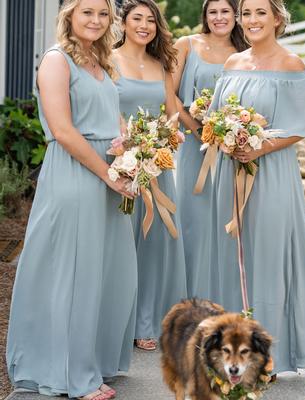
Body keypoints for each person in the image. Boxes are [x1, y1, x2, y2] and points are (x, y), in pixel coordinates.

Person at [6, 1, 138, 399]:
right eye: (87, 12)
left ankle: (93, 360)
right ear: (69, 16)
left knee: (108, 271)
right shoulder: (55, 60)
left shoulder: (103, 61)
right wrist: (108, 173)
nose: (96, 20)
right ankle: (71, 374)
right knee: (76, 273)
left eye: (102, 13)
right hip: (76, 173)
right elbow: (63, 130)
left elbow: (113, 119)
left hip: (109, 173)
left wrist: (131, 155)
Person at [210, 0, 305, 374]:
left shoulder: (292, 65)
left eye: (261, 12)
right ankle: (230, 352)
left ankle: (272, 353)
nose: (252, 20)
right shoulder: (232, 64)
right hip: (230, 174)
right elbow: (215, 119)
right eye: (246, 13)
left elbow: (304, 126)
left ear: (277, 18)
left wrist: (259, 146)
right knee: (233, 255)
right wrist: (228, 140)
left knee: (271, 255)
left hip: (273, 173)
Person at [113, 0, 187, 351]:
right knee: (120, 242)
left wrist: (171, 135)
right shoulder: (108, 60)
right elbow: (106, 108)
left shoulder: (162, 64)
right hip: (120, 165)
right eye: (136, 18)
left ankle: (145, 322)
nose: (144, 25)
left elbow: (171, 112)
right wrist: (129, 147)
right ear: (124, 23)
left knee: (156, 243)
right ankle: (116, 320)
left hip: (158, 164)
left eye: (150, 20)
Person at [173, 0, 248, 299]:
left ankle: (221, 299)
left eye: (225, 11)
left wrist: (231, 134)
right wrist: (199, 130)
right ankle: (187, 299)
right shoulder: (186, 45)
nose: (219, 18)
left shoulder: (243, 54)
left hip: (229, 152)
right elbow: (171, 94)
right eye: (213, 12)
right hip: (194, 147)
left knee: (223, 224)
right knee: (192, 221)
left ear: (235, 16)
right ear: (205, 16)